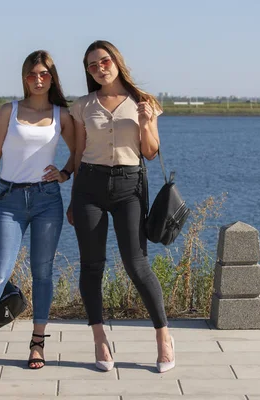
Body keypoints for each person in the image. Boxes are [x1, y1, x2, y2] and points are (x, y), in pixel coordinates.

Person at [68, 40, 175, 373]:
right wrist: (72, 198)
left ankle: (164, 338)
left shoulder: (144, 102)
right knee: (91, 265)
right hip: (89, 187)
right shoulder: (82, 105)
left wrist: (145, 123)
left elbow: (152, 151)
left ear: (116, 60)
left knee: (136, 263)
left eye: (104, 61)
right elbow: (79, 153)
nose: (100, 68)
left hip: (130, 186)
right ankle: (100, 339)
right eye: (92, 65)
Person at [0, 50, 75, 370]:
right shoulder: (8, 112)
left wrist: (65, 173)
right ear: (24, 77)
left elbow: (80, 151)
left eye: (44, 74)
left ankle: (37, 343)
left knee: (43, 274)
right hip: (10, 200)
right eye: (32, 74)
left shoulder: (61, 115)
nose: (38, 79)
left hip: (47, 201)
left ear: (52, 78)